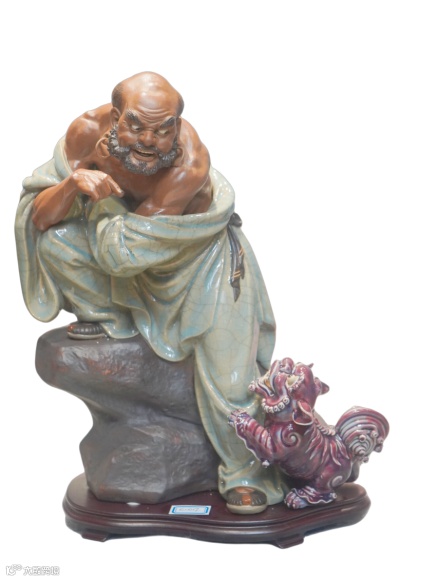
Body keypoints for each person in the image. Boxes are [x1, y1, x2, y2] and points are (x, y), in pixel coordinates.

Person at [15, 72, 285, 513]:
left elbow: (122, 255)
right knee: (57, 242)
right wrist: (74, 183)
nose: (148, 141)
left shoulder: (189, 164)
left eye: (163, 130)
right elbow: (39, 218)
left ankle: (245, 471)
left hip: (197, 263)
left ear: (177, 126)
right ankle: (115, 320)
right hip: (128, 251)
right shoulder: (85, 131)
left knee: (232, 381)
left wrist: (101, 196)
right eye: (136, 126)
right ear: (114, 117)